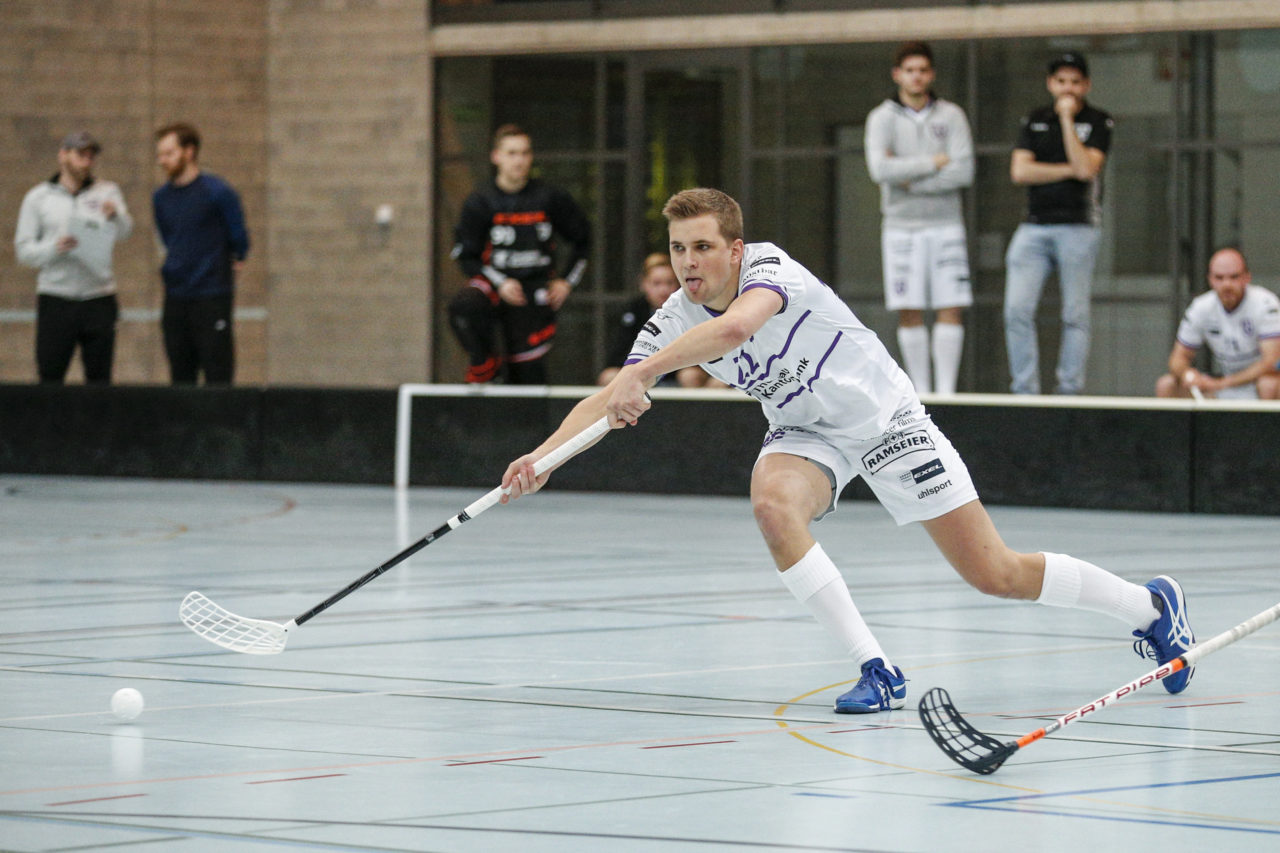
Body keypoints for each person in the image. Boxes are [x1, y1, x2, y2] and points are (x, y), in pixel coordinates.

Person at [500, 187, 1195, 714]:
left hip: (886, 419)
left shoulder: (770, 268)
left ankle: (1149, 606)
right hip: (807, 432)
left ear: (735, 249)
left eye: (702, 247)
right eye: (678, 249)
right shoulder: (672, 318)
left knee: (996, 573)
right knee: (773, 508)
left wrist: (643, 373)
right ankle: (877, 669)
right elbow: (603, 401)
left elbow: (736, 330)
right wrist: (542, 459)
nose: (688, 262)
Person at [865, 41, 974, 395]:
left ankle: (947, 393)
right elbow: (879, 170)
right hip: (901, 228)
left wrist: (908, 180)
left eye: (923, 70)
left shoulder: (951, 115)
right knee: (908, 308)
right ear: (897, 74)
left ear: (932, 74)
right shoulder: (881, 118)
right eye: (910, 70)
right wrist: (933, 163)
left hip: (946, 225)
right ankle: (921, 393)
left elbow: (963, 172)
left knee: (950, 304)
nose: (917, 77)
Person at [1004, 52, 1114, 395]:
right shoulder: (1034, 119)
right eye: (1062, 81)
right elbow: (1020, 171)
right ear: (1050, 84)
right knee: (1017, 310)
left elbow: (1086, 168)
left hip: (1078, 226)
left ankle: (1069, 389)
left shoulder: (1098, 121)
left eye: (1075, 82)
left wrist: (1067, 120)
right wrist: (1067, 170)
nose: (1068, 88)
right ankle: (1025, 389)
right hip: (1034, 225)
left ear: (1086, 85)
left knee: (1075, 313)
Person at [449, 124, 591, 384]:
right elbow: (465, 256)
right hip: (495, 286)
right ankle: (485, 365)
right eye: (512, 153)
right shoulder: (480, 201)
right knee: (464, 306)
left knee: (527, 375)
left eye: (525, 153)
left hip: (535, 292)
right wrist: (500, 282)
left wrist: (565, 281)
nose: (519, 160)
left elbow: (583, 241)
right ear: (496, 156)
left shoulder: (550, 197)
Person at [14, 131, 133, 384]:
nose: (86, 161)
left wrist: (115, 216)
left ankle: (98, 414)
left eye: (91, 156)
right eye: (80, 155)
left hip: (98, 296)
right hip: (56, 298)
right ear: (63, 155)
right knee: (50, 376)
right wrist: (54, 247)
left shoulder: (108, 191)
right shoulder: (38, 198)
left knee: (100, 379)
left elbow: (125, 232)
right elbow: (24, 251)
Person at [152, 122, 250, 385]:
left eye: (169, 153)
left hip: (211, 295)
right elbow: (168, 238)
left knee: (217, 372)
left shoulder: (217, 192)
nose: (162, 161)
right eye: (160, 155)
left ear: (189, 151)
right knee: (180, 373)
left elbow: (239, 237)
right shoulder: (161, 198)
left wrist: (235, 259)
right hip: (176, 296)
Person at [1156, 247, 1280, 399]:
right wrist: (1188, 374)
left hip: (1256, 383)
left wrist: (1222, 383)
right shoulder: (1201, 307)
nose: (1227, 284)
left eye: (1234, 277)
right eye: (1219, 278)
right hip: (1219, 384)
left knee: (1269, 384)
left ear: (1247, 277)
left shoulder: (1266, 304)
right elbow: (1177, 358)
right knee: (1166, 385)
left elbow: (1272, 362)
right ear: (1210, 279)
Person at [597, 253, 722, 389]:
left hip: (679, 370)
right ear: (644, 284)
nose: (663, 290)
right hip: (642, 369)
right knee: (609, 376)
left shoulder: (692, 308)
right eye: (656, 283)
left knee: (690, 376)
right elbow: (618, 354)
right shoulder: (633, 310)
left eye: (669, 283)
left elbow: (702, 353)